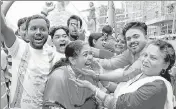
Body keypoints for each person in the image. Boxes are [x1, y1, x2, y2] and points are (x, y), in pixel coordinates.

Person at [72, 39, 176, 109]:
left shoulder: (157, 87)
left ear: (165, 65)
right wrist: (96, 76)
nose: (145, 60)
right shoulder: (141, 74)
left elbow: (118, 104)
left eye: (153, 58)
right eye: (145, 55)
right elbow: (119, 90)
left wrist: (92, 87)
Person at [1, 10, 55, 109]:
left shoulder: (52, 54)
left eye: (43, 29)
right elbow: (3, 28)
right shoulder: (18, 47)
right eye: (33, 29)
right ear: (26, 32)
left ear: (48, 32)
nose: (38, 32)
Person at [43, 40, 98, 109]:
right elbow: (50, 105)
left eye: (91, 53)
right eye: (85, 54)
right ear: (72, 60)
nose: (91, 57)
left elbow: (92, 99)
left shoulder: (88, 74)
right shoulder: (59, 76)